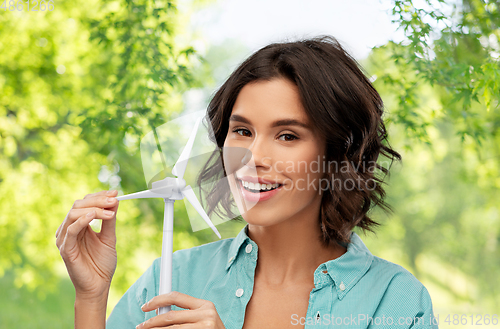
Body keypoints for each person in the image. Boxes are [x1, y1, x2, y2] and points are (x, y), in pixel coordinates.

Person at [56, 35, 439, 329]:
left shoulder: (396, 303)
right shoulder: (169, 278)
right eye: (241, 131)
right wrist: (91, 297)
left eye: (287, 135)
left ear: (337, 154)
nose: (251, 158)